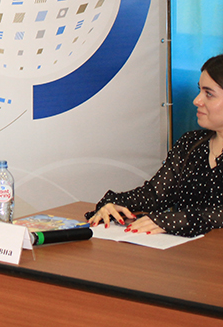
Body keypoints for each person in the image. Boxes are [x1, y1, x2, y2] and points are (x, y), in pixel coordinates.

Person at [86, 55, 223, 237]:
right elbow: (154, 195)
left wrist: (175, 220)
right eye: (200, 90)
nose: (197, 100)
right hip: (188, 251)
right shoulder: (191, 143)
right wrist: (115, 204)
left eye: (209, 94)